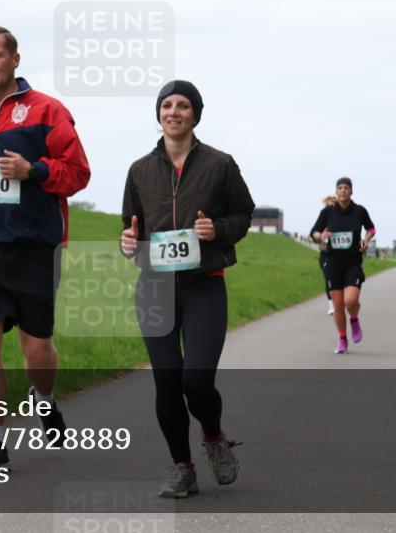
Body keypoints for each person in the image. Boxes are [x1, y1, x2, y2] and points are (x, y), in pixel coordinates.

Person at [0, 25, 91, 470]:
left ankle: (44, 399)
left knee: (37, 349)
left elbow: (78, 172)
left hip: (35, 247)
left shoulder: (47, 110)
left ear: (15, 60)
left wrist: (35, 171)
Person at [119, 80, 255, 498]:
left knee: (195, 381)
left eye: (182, 106)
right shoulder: (140, 170)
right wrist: (127, 245)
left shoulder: (220, 164)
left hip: (204, 286)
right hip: (156, 288)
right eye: (166, 105)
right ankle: (182, 467)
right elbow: (131, 227)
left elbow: (243, 215)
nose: (173, 112)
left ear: (195, 114)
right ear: (158, 114)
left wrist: (218, 230)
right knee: (166, 381)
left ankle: (213, 437)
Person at [310, 178, 376, 354]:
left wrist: (367, 239)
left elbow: (371, 228)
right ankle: (342, 339)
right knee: (338, 305)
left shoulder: (359, 211)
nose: (343, 191)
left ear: (351, 191)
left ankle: (354, 319)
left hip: (353, 262)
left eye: (346, 188)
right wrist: (321, 236)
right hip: (333, 264)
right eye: (340, 188)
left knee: (350, 301)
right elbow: (314, 232)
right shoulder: (327, 212)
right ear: (336, 192)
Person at [319, 196, 336, 315]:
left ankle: (340, 301)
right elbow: (315, 234)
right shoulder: (322, 221)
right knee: (328, 279)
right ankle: (331, 306)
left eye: (332, 205)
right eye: (327, 206)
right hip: (325, 254)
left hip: (339, 255)